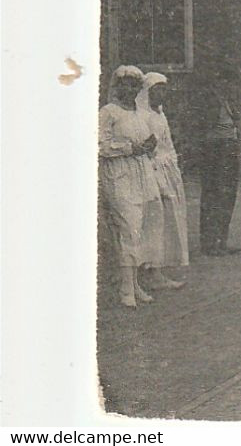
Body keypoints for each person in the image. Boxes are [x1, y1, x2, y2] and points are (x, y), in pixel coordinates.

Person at [100, 66, 161, 308]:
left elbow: (148, 142)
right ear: (117, 86)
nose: (131, 89)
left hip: (141, 174)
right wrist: (128, 149)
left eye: (135, 85)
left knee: (140, 227)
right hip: (119, 175)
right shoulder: (108, 112)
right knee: (129, 226)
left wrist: (148, 145)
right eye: (126, 84)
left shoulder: (140, 113)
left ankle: (134, 284)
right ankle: (126, 289)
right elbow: (100, 145)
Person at [136, 72, 188, 289]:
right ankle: (150, 271)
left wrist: (174, 166)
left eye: (164, 89)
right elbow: (148, 148)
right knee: (153, 220)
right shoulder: (143, 116)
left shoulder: (160, 114)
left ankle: (157, 270)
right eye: (157, 89)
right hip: (152, 172)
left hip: (168, 171)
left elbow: (168, 144)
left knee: (167, 220)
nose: (162, 94)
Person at [195, 75, 241, 256]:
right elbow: (200, 126)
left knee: (228, 194)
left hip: (229, 147)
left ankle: (221, 241)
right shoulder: (207, 99)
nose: (227, 84)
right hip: (214, 149)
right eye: (224, 80)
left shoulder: (228, 101)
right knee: (213, 194)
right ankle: (209, 243)